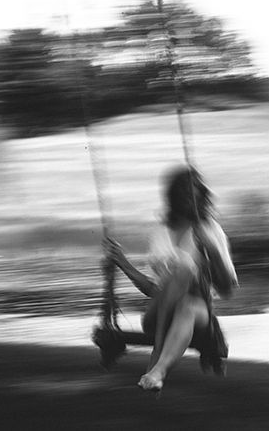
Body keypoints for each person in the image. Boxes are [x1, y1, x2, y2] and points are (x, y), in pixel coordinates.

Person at [104, 166, 238, 392]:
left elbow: (227, 290)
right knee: (182, 272)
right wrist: (122, 262)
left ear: (201, 195)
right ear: (173, 196)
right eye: (183, 192)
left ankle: (158, 370)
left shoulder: (211, 230)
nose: (189, 197)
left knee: (187, 295)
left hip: (198, 314)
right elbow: (153, 289)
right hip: (156, 316)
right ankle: (158, 352)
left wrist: (212, 250)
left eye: (193, 192)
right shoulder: (160, 233)